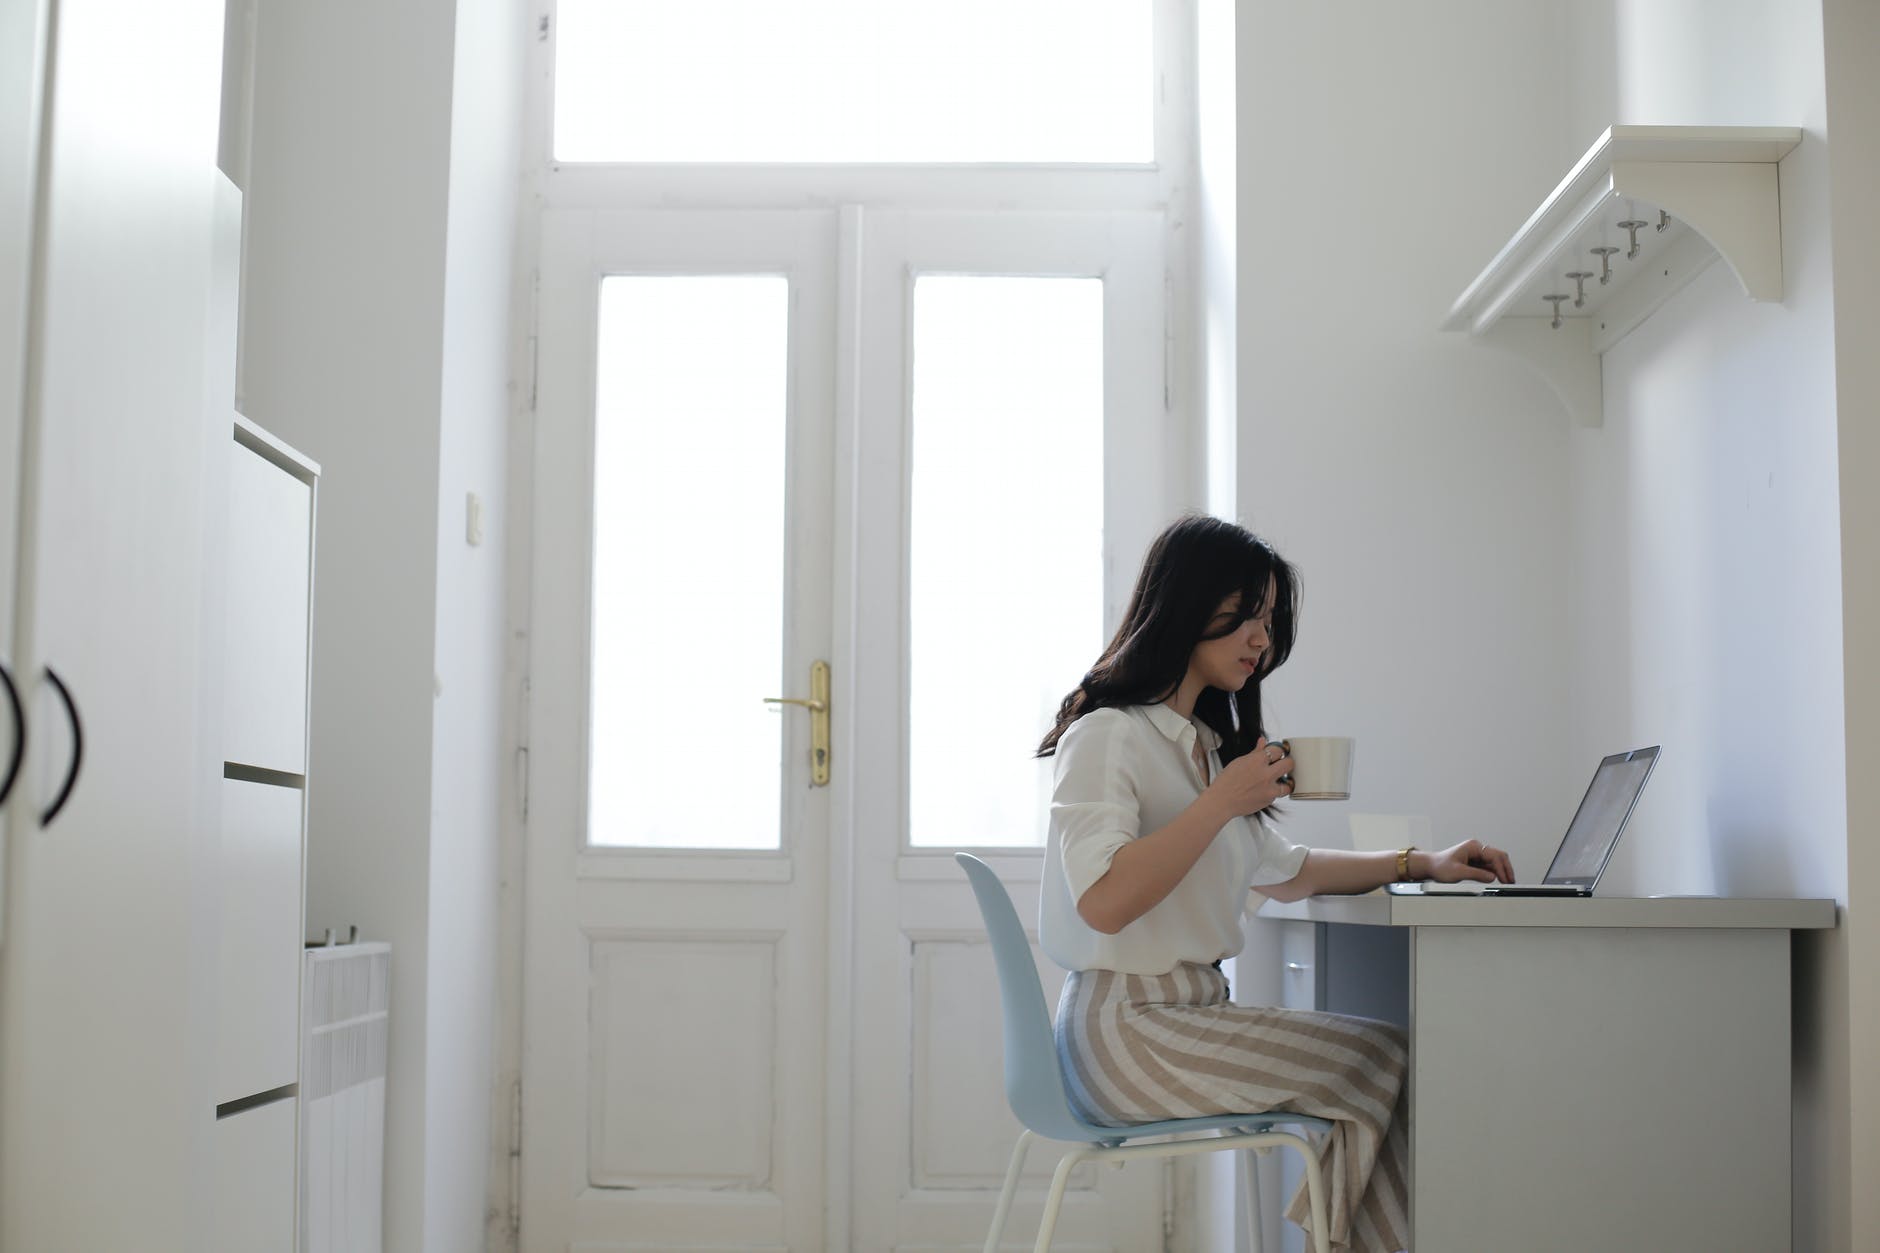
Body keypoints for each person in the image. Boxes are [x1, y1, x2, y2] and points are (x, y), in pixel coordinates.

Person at [1036, 515, 1514, 1253]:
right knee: (1381, 1059)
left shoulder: (1199, 745)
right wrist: (1222, 799)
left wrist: (1422, 861)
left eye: (1268, 619)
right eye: (1246, 615)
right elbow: (1103, 900)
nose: (1263, 638)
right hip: (1126, 1033)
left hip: (1180, 1021)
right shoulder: (1108, 735)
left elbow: (1290, 872)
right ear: (1188, 605)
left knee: (1381, 1062)